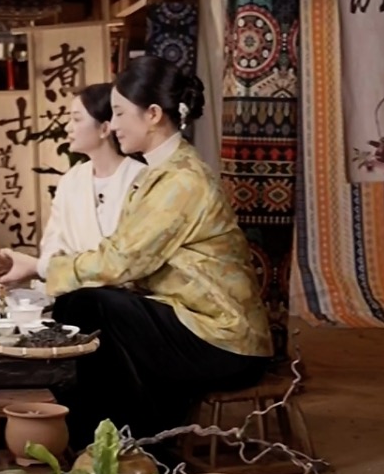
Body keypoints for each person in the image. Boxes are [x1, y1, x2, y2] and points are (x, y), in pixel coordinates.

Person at [45, 56, 272, 443]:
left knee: (89, 305)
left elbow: (122, 261)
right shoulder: (160, 173)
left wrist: (44, 271)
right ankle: (123, 440)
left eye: (119, 113)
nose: (113, 124)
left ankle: (111, 440)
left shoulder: (182, 181)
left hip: (224, 340)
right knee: (85, 307)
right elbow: (124, 256)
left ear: (152, 114)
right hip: (189, 323)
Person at [0, 83, 145, 287]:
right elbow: (53, 243)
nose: (68, 128)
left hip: (126, 296)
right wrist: (48, 265)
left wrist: (44, 267)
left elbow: (132, 257)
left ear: (104, 128)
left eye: (77, 119)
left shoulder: (140, 178)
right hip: (74, 291)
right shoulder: (72, 180)